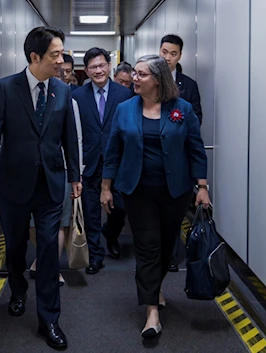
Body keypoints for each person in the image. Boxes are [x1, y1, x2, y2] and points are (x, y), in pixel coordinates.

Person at [0, 26, 82, 350]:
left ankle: (49, 319)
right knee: (16, 245)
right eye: (55, 54)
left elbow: (69, 138)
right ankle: (19, 289)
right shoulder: (6, 88)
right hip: (14, 184)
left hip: (50, 185)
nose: (62, 60)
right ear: (34, 57)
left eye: (62, 53)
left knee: (49, 250)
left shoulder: (62, 91)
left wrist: (75, 178)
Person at [100, 55, 210, 338]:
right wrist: (106, 187)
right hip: (138, 192)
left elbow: (195, 150)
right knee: (147, 247)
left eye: (141, 75)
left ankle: (155, 286)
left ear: (158, 80)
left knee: (166, 245)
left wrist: (202, 187)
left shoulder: (182, 109)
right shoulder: (125, 110)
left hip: (175, 192)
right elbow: (113, 151)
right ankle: (152, 312)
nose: (134, 79)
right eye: (134, 74)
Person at [72, 47, 134, 273]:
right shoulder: (77, 96)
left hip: (117, 163)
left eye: (101, 65)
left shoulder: (124, 95)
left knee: (119, 208)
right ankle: (95, 255)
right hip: (88, 163)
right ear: (86, 71)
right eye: (92, 67)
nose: (98, 70)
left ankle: (112, 234)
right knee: (90, 213)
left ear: (109, 66)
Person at [29, 66, 85, 286]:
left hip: (59, 171)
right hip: (32, 170)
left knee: (59, 224)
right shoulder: (28, 99)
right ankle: (41, 259)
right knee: (34, 224)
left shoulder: (69, 102)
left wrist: (76, 175)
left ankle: (52, 268)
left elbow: (76, 139)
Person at [159, 34, 204, 272]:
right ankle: (156, 256)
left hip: (179, 161)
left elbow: (196, 120)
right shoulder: (148, 81)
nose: (167, 58)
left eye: (173, 53)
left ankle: (172, 255)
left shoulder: (189, 85)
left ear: (180, 56)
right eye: (164, 52)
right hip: (154, 159)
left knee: (174, 211)